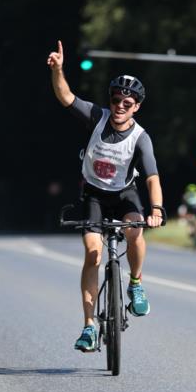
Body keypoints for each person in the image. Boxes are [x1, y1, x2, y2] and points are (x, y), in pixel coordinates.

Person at [47, 39, 164, 353]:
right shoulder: (96, 117)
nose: (120, 106)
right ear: (110, 100)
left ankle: (136, 284)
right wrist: (58, 70)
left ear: (136, 107)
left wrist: (157, 208)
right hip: (94, 195)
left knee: (135, 229)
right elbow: (66, 97)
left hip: (125, 195)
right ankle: (88, 327)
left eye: (128, 103)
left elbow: (152, 176)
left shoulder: (141, 138)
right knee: (93, 254)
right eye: (116, 100)